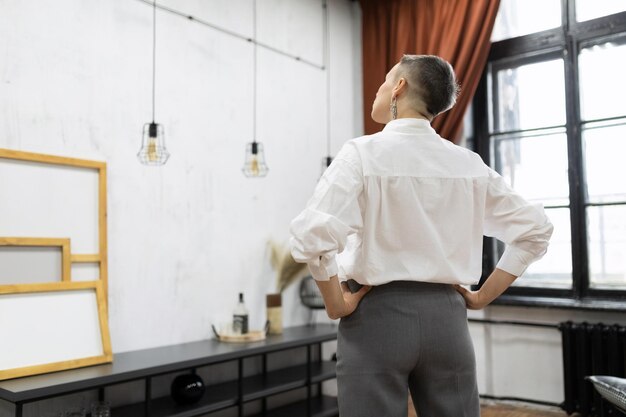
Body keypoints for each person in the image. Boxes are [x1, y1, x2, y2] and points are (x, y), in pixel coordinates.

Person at [289, 54, 553, 417]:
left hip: (374, 318)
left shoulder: (361, 154)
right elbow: (535, 230)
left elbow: (314, 234)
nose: (380, 88)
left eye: (385, 80)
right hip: (448, 321)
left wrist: (335, 302)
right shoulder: (468, 164)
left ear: (399, 87)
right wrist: (481, 297)